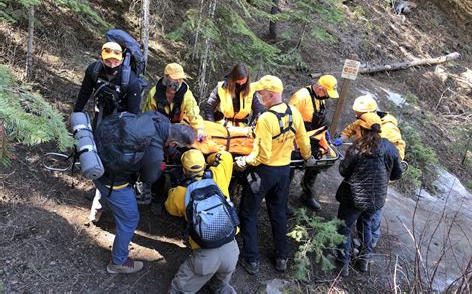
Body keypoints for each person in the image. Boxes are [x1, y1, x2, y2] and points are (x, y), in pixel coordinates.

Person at [234, 75, 316, 275]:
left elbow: (262, 155)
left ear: (270, 95)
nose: (258, 96)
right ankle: (282, 257)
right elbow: (303, 140)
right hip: (283, 172)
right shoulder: (293, 112)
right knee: (278, 212)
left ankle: (251, 258)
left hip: (264, 172)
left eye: (261, 93)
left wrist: (244, 162)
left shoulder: (266, 118)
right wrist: (308, 157)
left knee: (248, 211)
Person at [93, 119, 196, 274]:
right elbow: (149, 178)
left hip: (99, 160)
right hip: (112, 181)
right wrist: (158, 166)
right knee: (130, 219)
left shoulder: (155, 119)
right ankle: (118, 263)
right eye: (176, 146)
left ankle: (95, 212)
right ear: (174, 142)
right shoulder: (155, 153)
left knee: (109, 191)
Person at [335, 112, 402, 277]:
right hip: (376, 198)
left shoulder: (357, 147)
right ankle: (364, 260)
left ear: (363, 129)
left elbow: (344, 171)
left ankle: (342, 263)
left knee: (345, 227)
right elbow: (396, 174)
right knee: (366, 226)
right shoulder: (390, 147)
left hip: (353, 198)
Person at [165, 150, 239, 293]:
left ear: (184, 169)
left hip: (206, 256)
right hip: (232, 249)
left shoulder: (181, 193)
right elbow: (226, 156)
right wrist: (210, 157)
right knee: (221, 286)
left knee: (179, 289)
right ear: (204, 165)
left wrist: (175, 186)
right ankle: (220, 287)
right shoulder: (218, 175)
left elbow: (170, 207)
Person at [142, 63, 205, 211]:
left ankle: (179, 192)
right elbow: (146, 115)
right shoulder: (154, 94)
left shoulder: (186, 95)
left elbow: (194, 113)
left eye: (180, 80)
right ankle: (156, 194)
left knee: (180, 161)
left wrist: (199, 128)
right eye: (174, 80)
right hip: (159, 134)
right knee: (157, 162)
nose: (177, 83)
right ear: (166, 78)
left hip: (179, 135)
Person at [289, 74, 339, 211]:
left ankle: (306, 194)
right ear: (320, 88)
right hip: (295, 140)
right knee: (289, 169)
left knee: (315, 167)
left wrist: (324, 135)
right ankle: (280, 200)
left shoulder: (320, 98)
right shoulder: (301, 97)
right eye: (328, 93)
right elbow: (288, 119)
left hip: (312, 138)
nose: (328, 96)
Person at [74, 42, 141, 128]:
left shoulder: (131, 81)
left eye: (116, 62)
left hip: (122, 115)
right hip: (101, 107)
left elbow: (133, 112)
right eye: (108, 62)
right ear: (101, 59)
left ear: (121, 61)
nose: (112, 66)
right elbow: (85, 92)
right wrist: (76, 111)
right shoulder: (93, 71)